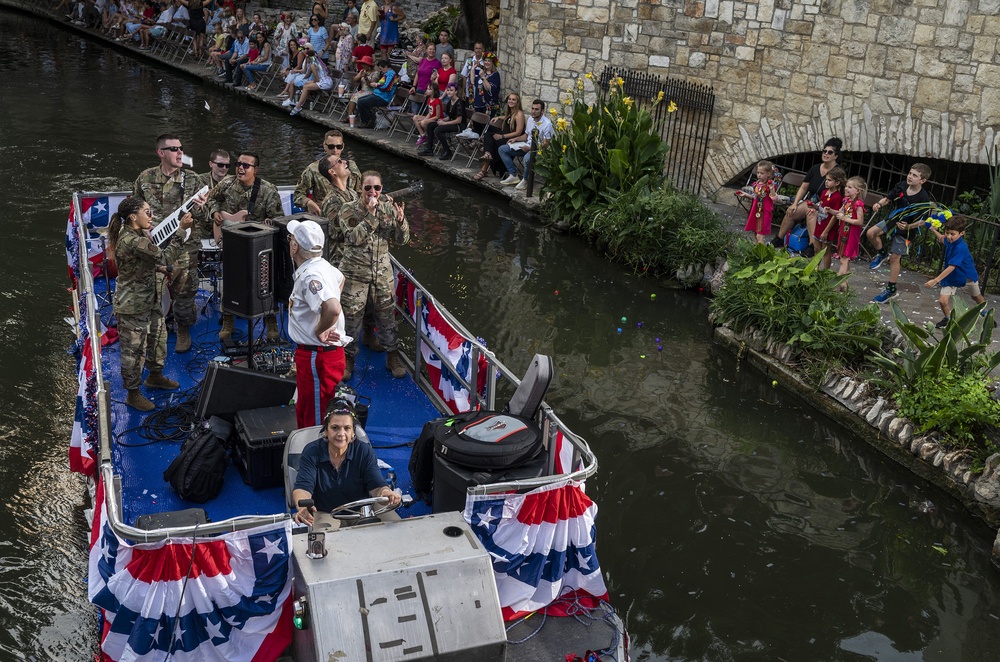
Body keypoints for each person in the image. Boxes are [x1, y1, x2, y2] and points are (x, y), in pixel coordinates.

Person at [108, 196, 195, 411]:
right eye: (147, 212)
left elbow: (141, 263)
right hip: (133, 304)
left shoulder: (136, 235)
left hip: (150, 298)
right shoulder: (133, 240)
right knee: (134, 351)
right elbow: (165, 257)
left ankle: (155, 376)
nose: (151, 216)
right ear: (132, 217)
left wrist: (159, 270)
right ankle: (133, 393)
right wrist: (182, 230)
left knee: (157, 339)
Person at [132, 134, 205, 354]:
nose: (180, 152)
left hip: (184, 247)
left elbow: (206, 215)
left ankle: (183, 329)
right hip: (153, 247)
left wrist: (201, 208)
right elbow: (134, 210)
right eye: (173, 149)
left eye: (181, 148)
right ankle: (153, 331)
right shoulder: (145, 178)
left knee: (185, 291)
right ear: (161, 153)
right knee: (151, 292)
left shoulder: (193, 180)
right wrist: (144, 229)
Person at [204, 151, 284, 340]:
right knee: (231, 282)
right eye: (238, 164)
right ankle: (228, 321)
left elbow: (278, 219)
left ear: (256, 170)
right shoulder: (227, 183)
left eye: (246, 165)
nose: (240, 168)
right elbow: (212, 199)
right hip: (232, 241)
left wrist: (270, 223)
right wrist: (215, 211)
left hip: (259, 244)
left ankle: (270, 322)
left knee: (265, 282)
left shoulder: (267, 190)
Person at [337, 170, 409, 380]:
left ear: (381, 189)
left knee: (387, 316)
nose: (372, 192)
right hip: (354, 274)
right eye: (368, 188)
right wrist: (370, 215)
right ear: (361, 188)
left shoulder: (388, 207)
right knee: (351, 318)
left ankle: (392, 357)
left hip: (381, 273)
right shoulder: (347, 209)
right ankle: (348, 360)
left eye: (376, 188)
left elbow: (402, 240)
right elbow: (353, 237)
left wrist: (401, 222)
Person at [291, 397, 401, 525]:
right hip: (325, 512)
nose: (341, 433)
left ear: (353, 432)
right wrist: (303, 506)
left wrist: (387, 494)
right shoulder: (312, 452)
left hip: (362, 510)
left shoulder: (364, 451)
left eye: (347, 428)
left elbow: (377, 486)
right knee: (323, 540)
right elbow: (302, 488)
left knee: (396, 528)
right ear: (325, 431)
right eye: (335, 428)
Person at [286, 219, 348, 429]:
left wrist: (320, 329)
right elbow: (341, 279)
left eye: (291, 239)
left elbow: (332, 308)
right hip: (319, 355)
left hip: (317, 355)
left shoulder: (310, 276)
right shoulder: (323, 266)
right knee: (307, 406)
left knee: (315, 417)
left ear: (295, 247)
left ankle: (316, 458)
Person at [868, 163, 933, 304]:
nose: (910, 177)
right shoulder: (902, 186)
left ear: (923, 181)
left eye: (915, 175)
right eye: (910, 173)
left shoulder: (923, 198)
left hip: (906, 231)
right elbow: (888, 198)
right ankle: (882, 253)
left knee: (895, 258)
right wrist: (879, 204)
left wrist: (909, 226)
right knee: (871, 233)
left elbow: (924, 221)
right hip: (893, 220)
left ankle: (890, 290)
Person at [774, 137, 842, 246]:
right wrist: (795, 203)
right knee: (791, 211)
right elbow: (803, 187)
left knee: (812, 214)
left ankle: (812, 245)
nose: (826, 154)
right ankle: (779, 238)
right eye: (824, 151)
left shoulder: (838, 172)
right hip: (811, 202)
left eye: (830, 152)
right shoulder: (815, 168)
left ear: (836, 156)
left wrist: (819, 206)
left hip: (826, 207)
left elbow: (837, 194)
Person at [923, 215, 989, 328]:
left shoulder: (960, 247)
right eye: (947, 232)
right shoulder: (949, 239)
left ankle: (986, 314)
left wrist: (935, 280)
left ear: (962, 233)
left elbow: (952, 266)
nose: (948, 236)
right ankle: (948, 319)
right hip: (951, 276)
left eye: (952, 234)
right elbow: (942, 239)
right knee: (942, 301)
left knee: (976, 296)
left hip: (966, 275)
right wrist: (933, 229)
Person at [295, 130, 363, 216]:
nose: (335, 150)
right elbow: (298, 195)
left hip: (351, 214)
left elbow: (361, 192)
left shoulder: (351, 166)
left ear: (343, 146)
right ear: (324, 146)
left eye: (339, 146)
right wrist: (309, 203)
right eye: (331, 146)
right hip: (325, 215)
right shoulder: (313, 169)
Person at [499, 98, 555, 190]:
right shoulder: (530, 119)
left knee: (527, 158)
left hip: (539, 150)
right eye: (532, 109)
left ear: (542, 111)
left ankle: (526, 180)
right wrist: (516, 139)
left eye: (536, 109)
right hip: (527, 145)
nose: (534, 111)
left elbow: (546, 145)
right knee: (502, 149)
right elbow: (526, 135)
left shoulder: (547, 124)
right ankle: (513, 174)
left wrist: (530, 149)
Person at [476, 92, 524, 180]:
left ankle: (484, 169)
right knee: (488, 135)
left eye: (513, 100)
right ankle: (487, 154)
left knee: (492, 143)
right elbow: (507, 117)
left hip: (511, 139)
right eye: (509, 99)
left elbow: (518, 132)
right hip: (505, 136)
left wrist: (502, 137)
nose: (511, 101)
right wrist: (499, 117)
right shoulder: (511, 113)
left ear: (518, 102)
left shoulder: (519, 114)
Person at [809, 166, 847, 270]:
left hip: (828, 226)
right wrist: (815, 207)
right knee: (816, 248)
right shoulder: (824, 192)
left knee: (825, 250)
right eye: (826, 179)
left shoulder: (837, 197)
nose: (826, 182)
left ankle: (825, 271)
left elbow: (835, 216)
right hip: (820, 223)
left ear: (837, 183)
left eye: (829, 180)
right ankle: (815, 268)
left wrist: (826, 231)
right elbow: (822, 206)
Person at [735, 161, 779, 244]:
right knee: (756, 234)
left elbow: (774, 198)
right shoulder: (757, 184)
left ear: (768, 174)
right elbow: (755, 196)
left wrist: (772, 189)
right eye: (758, 172)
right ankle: (757, 253)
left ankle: (763, 255)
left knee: (760, 235)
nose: (759, 175)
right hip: (755, 211)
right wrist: (745, 194)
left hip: (764, 212)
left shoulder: (769, 186)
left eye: (762, 173)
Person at [835, 176, 867, 282]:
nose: (846, 189)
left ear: (857, 191)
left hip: (851, 233)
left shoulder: (858, 204)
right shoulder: (846, 201)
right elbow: (839, 212)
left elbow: (859, 222)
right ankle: (845, 284)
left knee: (844, 258)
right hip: (844, 231)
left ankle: (836, 281)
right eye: (846, 186)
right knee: (843, 258)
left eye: (850, 187)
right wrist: (829, 210)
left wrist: (844, 218)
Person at [423, 83, 466, 160]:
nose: (449, 92)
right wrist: (442, 120)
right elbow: (449, 117)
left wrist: (445, 123)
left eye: (451, 90)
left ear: (456, 92)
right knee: (431, 125)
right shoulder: (450, 102)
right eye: (448, 90)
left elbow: (459, 120)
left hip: (459, 125)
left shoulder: (459, 103)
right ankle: (429, 149)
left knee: (438, 130)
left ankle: (447, 151)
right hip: (451, 122)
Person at [288, 48, 334, 117]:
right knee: (306, 84)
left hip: (325, 82)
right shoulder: (314, 63)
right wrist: (303, 79)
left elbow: (317, 79)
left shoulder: (313, 65)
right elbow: (308, 75)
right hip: (323, 80)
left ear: (308, 58)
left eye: (306, 58)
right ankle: (301, 102)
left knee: (306, 87)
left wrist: (311, 82)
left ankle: (298, 107)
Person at [355, 59, 397, 128]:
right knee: (360, 100)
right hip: (378, 94)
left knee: (362, 102)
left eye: (381, 68)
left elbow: (387, 87)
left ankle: (366, 121)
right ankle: (370, 119)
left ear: (386, 66)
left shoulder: (391, 74)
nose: (380, 70)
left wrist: (376, 85)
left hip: (383, 97)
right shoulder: (386, 74)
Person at [413, 83, 442, 148]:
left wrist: (425, 120)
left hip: (437, 119)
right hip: (431, 117)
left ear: (434, 91)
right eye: (427, 89)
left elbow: (437, 116)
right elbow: (430, 112)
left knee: (423, 123)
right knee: (415, 117)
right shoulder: (429, 100)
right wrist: (426, 119)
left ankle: (431, 136)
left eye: (429, 89)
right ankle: (423, 135)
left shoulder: (437, 101)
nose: (427, 90)